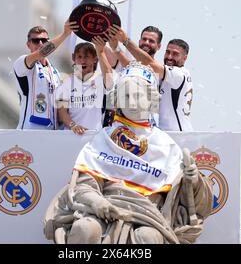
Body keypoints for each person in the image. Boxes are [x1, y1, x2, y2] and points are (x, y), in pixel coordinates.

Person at [44, 62, 213, 244]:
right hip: (104, 211)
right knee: (84, 228)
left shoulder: (166, 146)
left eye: (138, 95)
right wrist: (97, 202)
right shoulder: (105, 138)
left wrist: (193, 180)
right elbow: (85, 186)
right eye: (126, 95)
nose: (131, 102)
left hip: (148, 217)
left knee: (148, 238)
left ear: (151, 99)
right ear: (117, 100)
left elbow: (196, 204)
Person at [108, 25, 194, 131]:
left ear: (185, 58)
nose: (169, 57)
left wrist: (126, 41)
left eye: (175, 54)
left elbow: (149, 63)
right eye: (168, 52)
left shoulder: (179, 74)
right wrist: (115, 48)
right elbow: (133, 66)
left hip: (179, 136)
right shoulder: (166, 74)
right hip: (165, 135)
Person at [13, 20, 78, 130]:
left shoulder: (55, 72)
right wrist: (65, 34)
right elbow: (41, 53)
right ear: (28, 44)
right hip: (29, 131)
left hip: (52, 133)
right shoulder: (22, 63)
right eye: (35, 41)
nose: (40, 44)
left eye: (44, 40)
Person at [57, 37, 114, 135]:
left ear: (95, 59)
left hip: (94, 137)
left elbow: (109, 73)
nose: (83, 61)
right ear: (73, 58)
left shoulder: (100, 80)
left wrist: (100, 52)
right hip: (70, 136)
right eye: (79, 57)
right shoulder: (67, 82)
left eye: (87, 56)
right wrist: (73, 125)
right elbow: (62, 112)